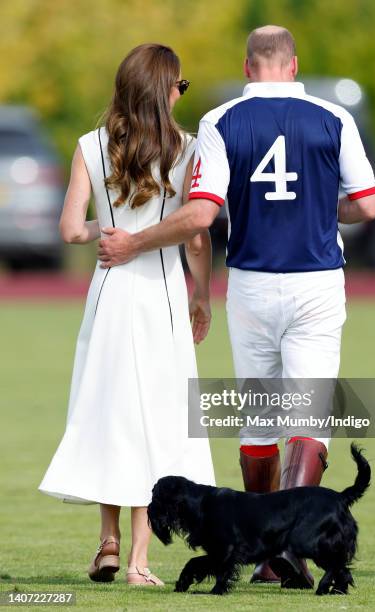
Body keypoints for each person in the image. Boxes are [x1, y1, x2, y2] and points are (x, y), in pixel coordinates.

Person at [97, 26, 375, 588]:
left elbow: (201, 216)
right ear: (293, 65)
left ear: (249, 68)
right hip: (318, 282)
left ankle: (268, 556)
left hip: (251, 283)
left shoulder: (220, 121)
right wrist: (324, 211)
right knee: (309, 418)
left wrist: (131, 241)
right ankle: (292, 548)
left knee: (258, 420)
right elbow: (368, 205)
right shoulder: (335, 117)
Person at [38, 43, 216, 587]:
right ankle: (140, 560)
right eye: (179, 85)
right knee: (157, 420)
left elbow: (70, 230)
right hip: (160, 294)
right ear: (164, 90)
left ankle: (107, 542)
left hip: (110, 294)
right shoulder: (187, 149)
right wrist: (202, 293)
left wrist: (103, 232)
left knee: (109, 412)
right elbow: (195, 232)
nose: (180, 93)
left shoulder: (89, 145)